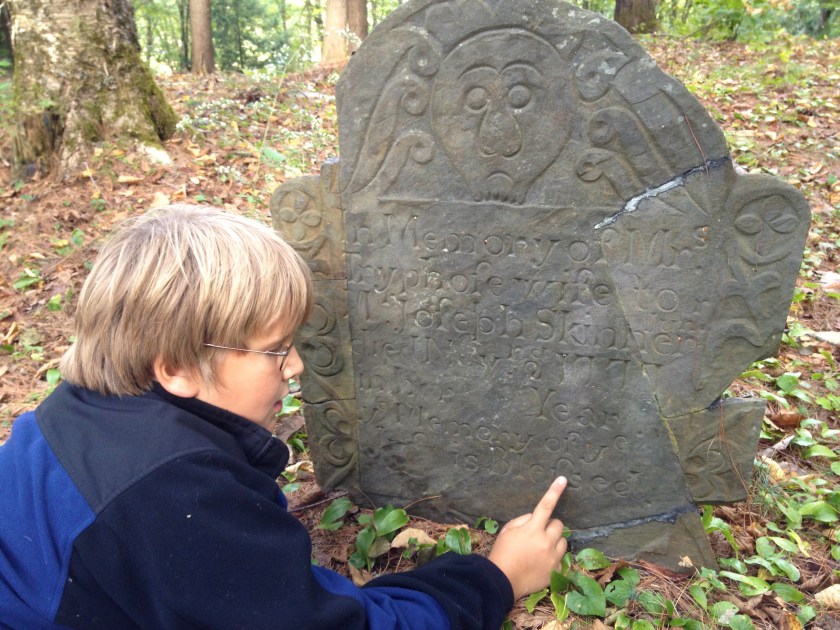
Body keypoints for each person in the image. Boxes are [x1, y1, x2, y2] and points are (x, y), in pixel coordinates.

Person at [0, 205, 568, 629]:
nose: (294, 365)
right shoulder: (174, 495)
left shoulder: (73, 416)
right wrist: (498, 578)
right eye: (275, 349)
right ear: (175, 365)